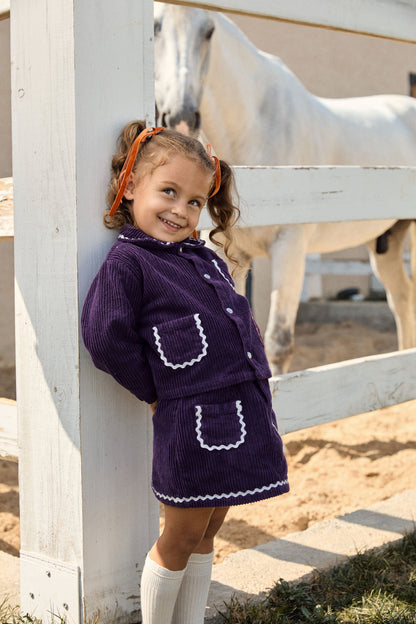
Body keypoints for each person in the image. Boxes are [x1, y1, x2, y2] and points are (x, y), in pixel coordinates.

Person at [81, 121, 289, 624]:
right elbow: (104, 335)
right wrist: (154, 388)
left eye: (195, 201)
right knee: (179, 535)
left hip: (240, 409)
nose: (181, 210)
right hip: (193, 420)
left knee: (207, 531)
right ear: (131, 186)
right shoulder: (130, 262)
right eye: (168, 191)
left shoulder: (203, 259)